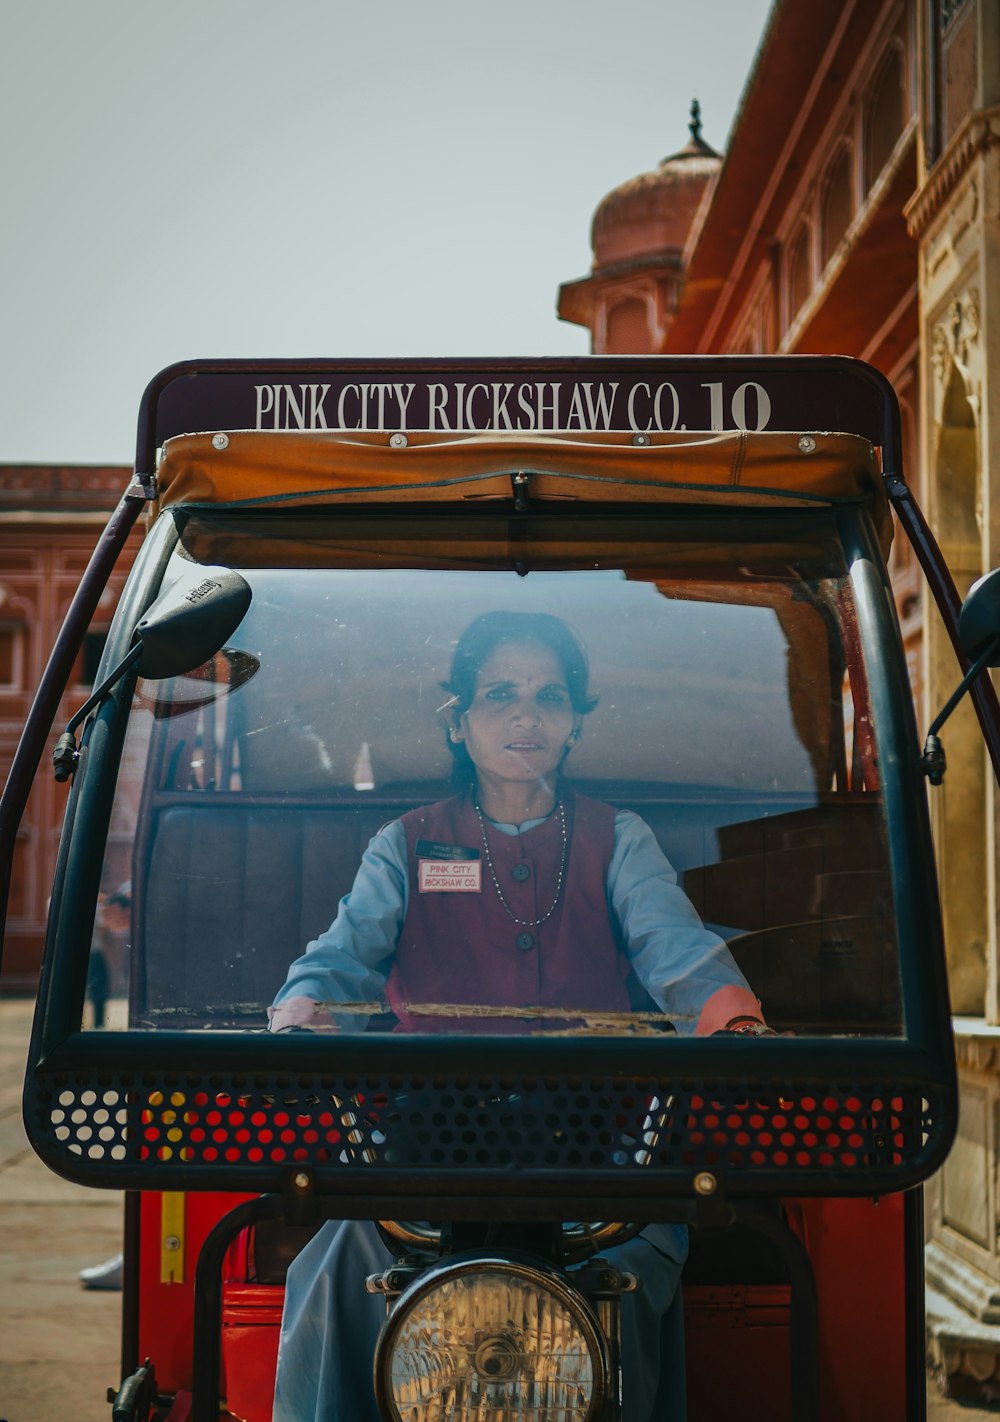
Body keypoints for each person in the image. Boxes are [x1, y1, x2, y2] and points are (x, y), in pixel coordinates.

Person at [268, 610, 769, 1422]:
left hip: (595, 1158)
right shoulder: (407, 843)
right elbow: (341, 958)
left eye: (550, 696)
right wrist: (303, 1016)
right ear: (460, 721)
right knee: (333, 1268)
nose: (526, 717)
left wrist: (734, 1026)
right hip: (424, 1158)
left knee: (635, 1271)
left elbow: (675, 949)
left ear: (575, 721)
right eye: (500, 695)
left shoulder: (620, 839)